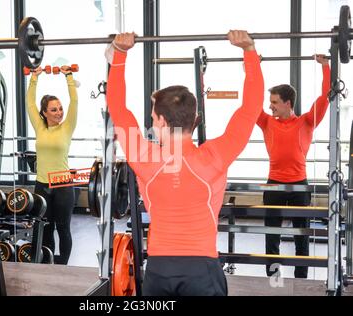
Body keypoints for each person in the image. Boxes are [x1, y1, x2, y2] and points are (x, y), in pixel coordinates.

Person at [106, 31, 264, 296]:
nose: (153, 124)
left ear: (162, 122)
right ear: (195, 118)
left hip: (159, 271)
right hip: (202, 271)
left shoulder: (145, 158)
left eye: (154, 118)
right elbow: (250, 110)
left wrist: (119, 56)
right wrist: (249, 51)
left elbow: (118, 109)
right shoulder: (215, 157)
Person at [257, 55, 330, 278]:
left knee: (302, 237)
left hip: (299, 185)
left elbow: (325, 97)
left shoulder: (306, 121)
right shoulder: (267, 122)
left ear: (288, 103)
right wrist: (253, 65)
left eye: (275, 102)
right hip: (273, 184)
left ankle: (300, 284)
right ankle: (274, 283)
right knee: (272, 237)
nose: (270, 107)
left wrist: (326, 67)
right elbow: (250, 102)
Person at [26, 65, 78, 264]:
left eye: (60, 108)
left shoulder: (67, 127)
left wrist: (69, 77)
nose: (59, 112)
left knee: (63, 228)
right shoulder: (40, 127)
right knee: (45, 228)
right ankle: (48, 265)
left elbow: (74, 101)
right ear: (45, 113)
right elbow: (30, 103)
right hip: (42, 185)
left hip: (63, 185)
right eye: (54, 110)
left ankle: (63, 266)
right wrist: (34, 78)